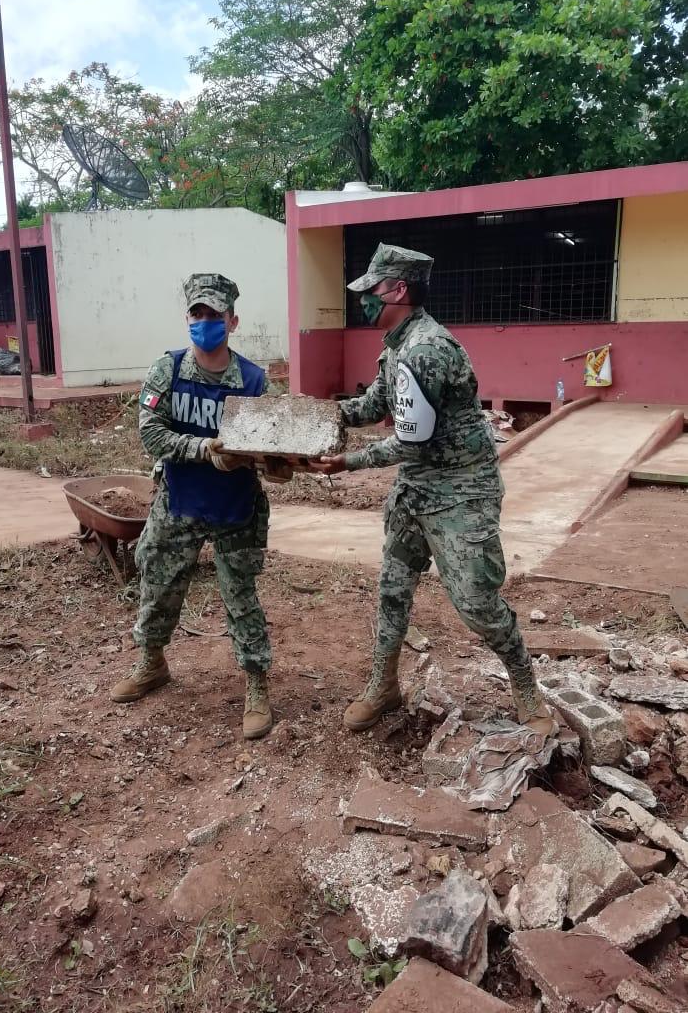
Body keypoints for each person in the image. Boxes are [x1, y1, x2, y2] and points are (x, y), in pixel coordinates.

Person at [313, 243, 554, 736]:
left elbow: (410, 441)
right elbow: (373, 403)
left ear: (399, 289)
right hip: (416, 488)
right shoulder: (397, 345)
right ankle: (383, 686)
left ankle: (525, 681)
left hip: (462, 492)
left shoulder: (426, 350)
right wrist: (312, 417)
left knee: (476, 603)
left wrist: (348, 462)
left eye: (372, 291)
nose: (366, 301)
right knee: (393, 589)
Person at [111, 273, 276, 740]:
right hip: (179, 502)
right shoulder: (169, 370)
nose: (205, 322)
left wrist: (281, 462)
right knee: (158, 585)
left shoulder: (253, 381)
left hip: (235, 508)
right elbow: (152, 434)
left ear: (232, 321)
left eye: (214, 315)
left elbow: (275, 441)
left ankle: (257, 683)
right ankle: (152, 663)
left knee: (240, 598)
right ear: (188, 318)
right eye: (197, 314)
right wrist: (205, 450)